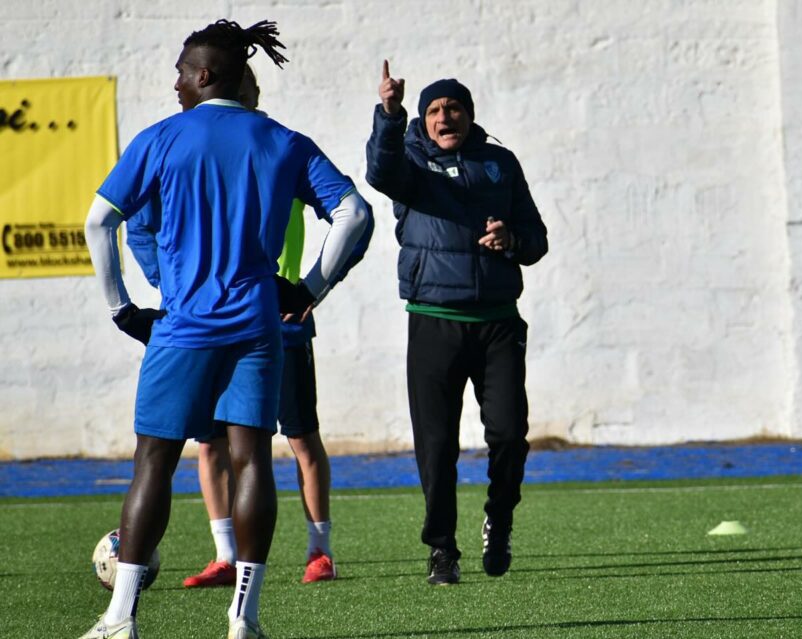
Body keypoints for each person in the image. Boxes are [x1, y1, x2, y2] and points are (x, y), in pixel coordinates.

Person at [81, 19, 369, 639]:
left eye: (182, 70)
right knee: (251, 461)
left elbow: (100, 220)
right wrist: (312, 287)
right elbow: (355, 213)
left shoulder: (161, 138)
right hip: (259, 329)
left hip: (183, 328)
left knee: (153, 461)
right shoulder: (284, 141)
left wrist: (121, 308)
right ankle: (245, 619)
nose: (176, 82)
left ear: (205, 74)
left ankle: (121, 617)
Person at [365, 61, 548, 585]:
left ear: (470, 115)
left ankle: (499, 517)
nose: (446, 118)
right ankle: (442, 549)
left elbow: (537, 239)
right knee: (438, 445)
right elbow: (380, 170)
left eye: (454, 109)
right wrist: (389, 114)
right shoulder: (410, 166)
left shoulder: (500, 163)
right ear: (423, 122)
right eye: (435, 111)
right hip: (434, 322)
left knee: (510, 436)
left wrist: (511, 238)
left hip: (497, 324)